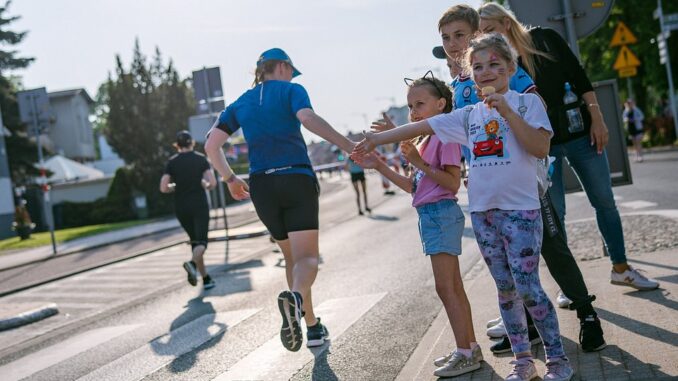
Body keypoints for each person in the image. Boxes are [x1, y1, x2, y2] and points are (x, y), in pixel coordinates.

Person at [354, 33, 573, 381]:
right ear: (471, 74)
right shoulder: (467, 115)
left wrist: (506, 110)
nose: (486, 72)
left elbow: (539, 147)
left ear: (510, 68)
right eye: (479, 66)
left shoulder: (527, 104)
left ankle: (558, 361)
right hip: (484, 214)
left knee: (529, 287)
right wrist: (376, 140)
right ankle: (522, 363)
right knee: (505, 291)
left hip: (520, 210)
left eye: (494, 65)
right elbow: (421, 126)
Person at [477, 2, 659, 293]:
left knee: (604, 201)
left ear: (506, 24)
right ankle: (569, 286)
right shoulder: (501, 67)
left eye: (490, 31)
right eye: (480, 36)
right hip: (542, 148)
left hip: (579, 135)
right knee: (554, 215)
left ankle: (621, 268)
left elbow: (579, 76)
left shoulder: (545, 39)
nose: (486, 40)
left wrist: (597, 118)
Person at [204, 48, 357, 352]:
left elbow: (211, 145)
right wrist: (349, 146)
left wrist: (231, 179)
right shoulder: (292, 91)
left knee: (292, 259)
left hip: (262, 186)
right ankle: (297, 300)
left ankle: (311, 325)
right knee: (308, 259)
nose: (291, 75)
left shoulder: (241, 103)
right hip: (295, 177)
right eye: (290, 70)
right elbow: (308, 118)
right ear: (283, 67)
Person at [477, 2, 607, 354]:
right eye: (452, 37)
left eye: (474, 31)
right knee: (514, 264)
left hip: (529, 186)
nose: (466, 39)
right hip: (493, 193)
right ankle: (530, 327)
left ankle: (587, 314)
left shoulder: (512, 73)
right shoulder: (469, 82)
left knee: (554, 248)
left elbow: (537, 121)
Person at [362, 72, 482, 378]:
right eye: (410, 105)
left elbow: (453, 183)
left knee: (446, 288)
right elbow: (413, 188)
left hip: (441, 213)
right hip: (431, 215)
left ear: (441, 105)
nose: (414, 111)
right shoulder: (426, 139)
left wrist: (417, 160)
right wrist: (378, 164)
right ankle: (469, 347)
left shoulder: (444, 136)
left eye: (420, 104)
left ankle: (466, 353)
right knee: (453, 287)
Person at [160, 130, 217, 291]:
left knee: (194, 242)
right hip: (199, 204)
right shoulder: (200, 159)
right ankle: (191, 264)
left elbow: (163, 187)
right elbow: (212, 182)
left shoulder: (172, 162)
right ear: (192, 143)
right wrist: (205, 185)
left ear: (177, 146)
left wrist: (175, 187)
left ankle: (205, 278)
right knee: (202, 243)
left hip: (181, 207)